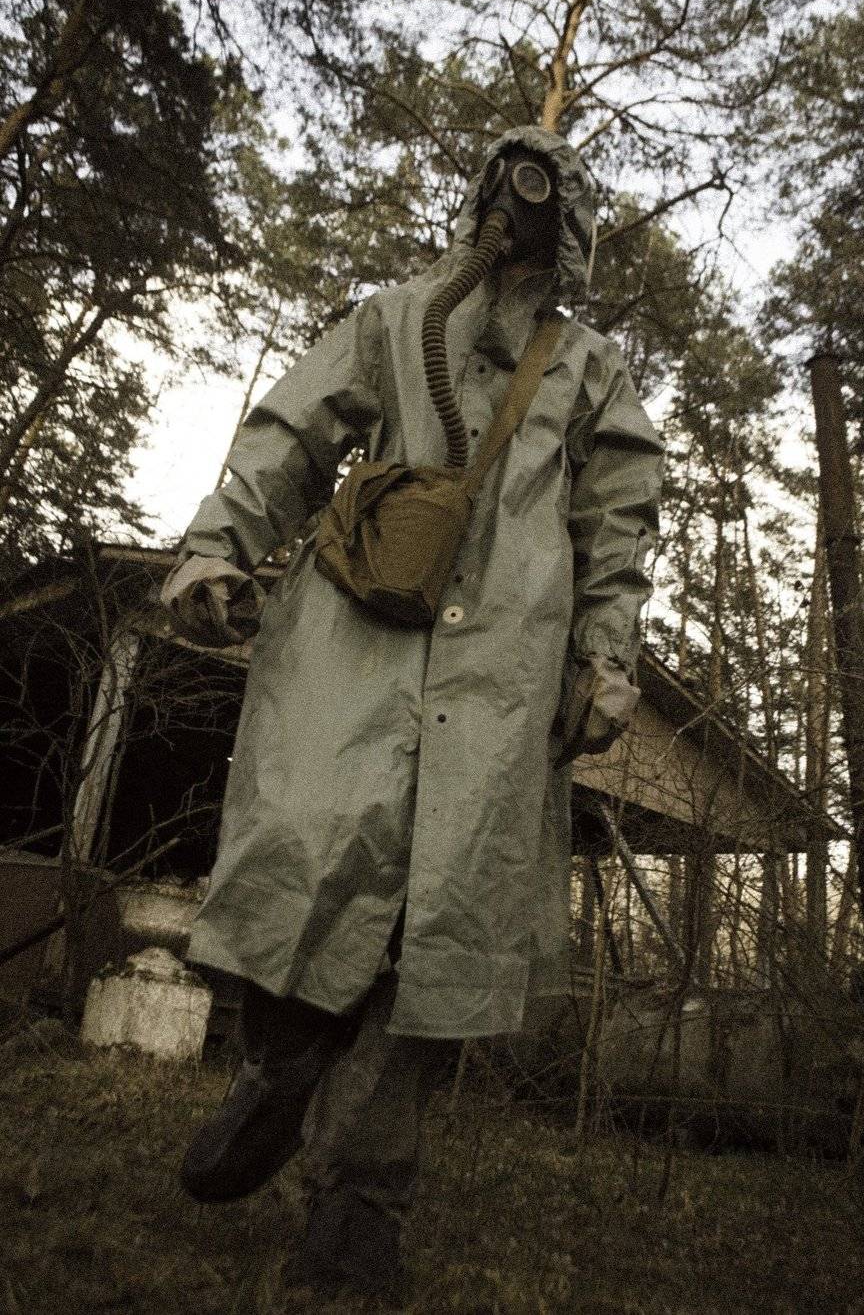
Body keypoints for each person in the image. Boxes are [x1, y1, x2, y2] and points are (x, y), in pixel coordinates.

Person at [161, 126, 663, 1299]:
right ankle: (277, 1067)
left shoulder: (591, 370)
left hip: (502, 679)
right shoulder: (394, 320)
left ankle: (357, 1218)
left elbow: (618, 525)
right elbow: (289, 435)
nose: (517, 218)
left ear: (572, 233)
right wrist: (215, 548)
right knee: (301, 854)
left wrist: (605, 657)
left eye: (543, 201)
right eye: (508, 192)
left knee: (440, 928)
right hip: (350, 647)